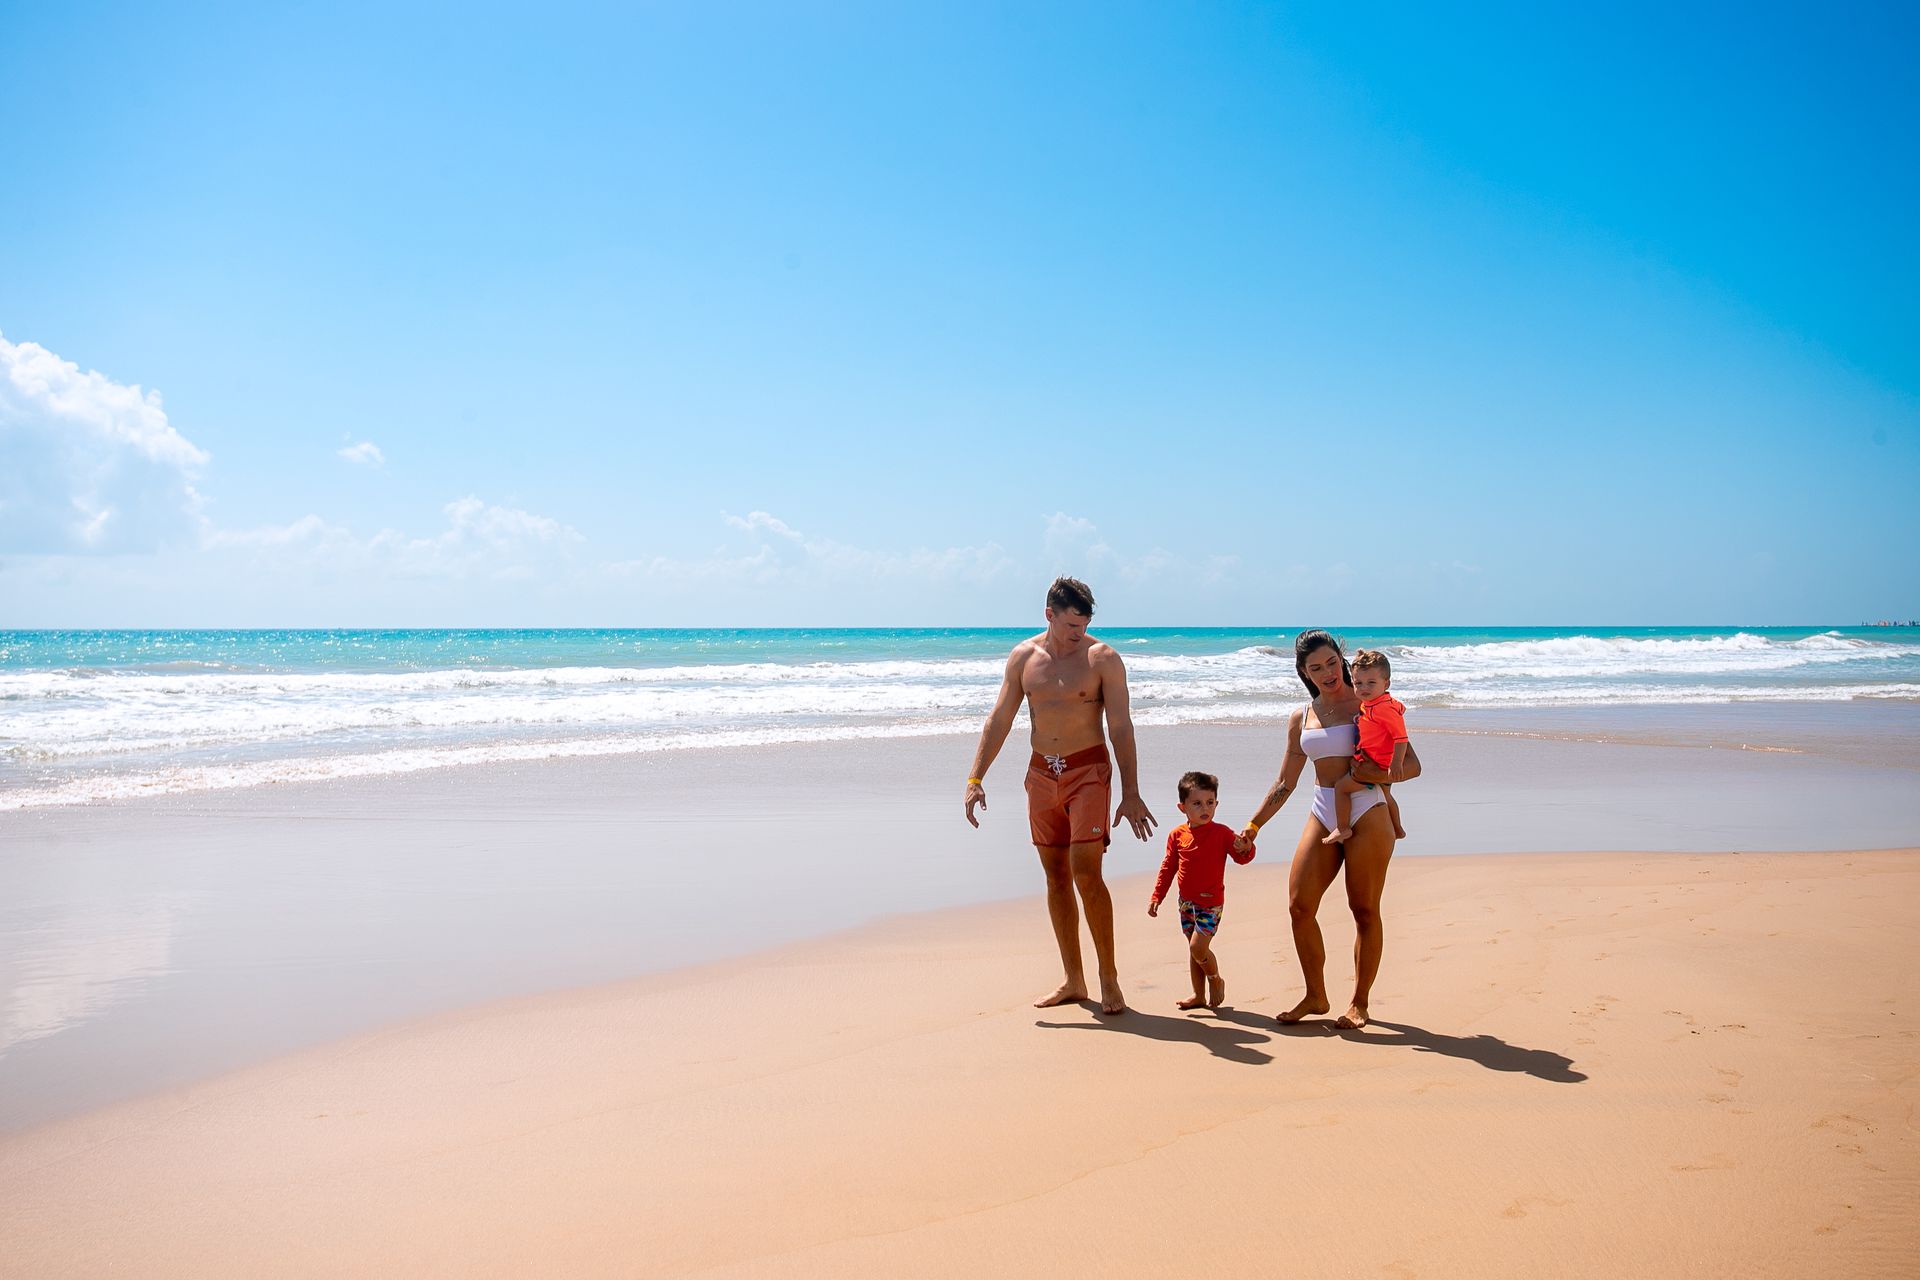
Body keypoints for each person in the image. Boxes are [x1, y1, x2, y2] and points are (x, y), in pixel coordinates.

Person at [964, 577, 1157, 1014]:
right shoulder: (1023, 658)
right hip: (1040, 775)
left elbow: (1121, 726)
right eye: (1071, 624)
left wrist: (1131, 792)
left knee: (1086, 873)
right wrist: (975, 777)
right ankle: (1074, 979)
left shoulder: (1102, 658)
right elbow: (999, 718)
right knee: (1055, 878)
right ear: (1049, 614)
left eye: (1083, 624)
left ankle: (1109, 978)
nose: (1078, 633)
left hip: (1088, 771)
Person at [1239, 630, 1422, 1029]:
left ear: (1342, 660)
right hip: (1324, 807)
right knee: (1299, 905)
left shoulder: (1368, 703)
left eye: (1332, 663)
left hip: (1368, 806)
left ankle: (1359, 1003)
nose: (1327, 673)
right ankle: (1315, 995)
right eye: (1315, 668)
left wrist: (1373, 774)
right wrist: (1254, 825)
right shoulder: (1301, 718)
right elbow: (1284, 782)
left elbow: (1411, 766)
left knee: (1363, 909)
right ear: (1304, 672)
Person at [1148, 770, 1256, 1010]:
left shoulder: (1222, 833)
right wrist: (1157, 896)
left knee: (1199, 948)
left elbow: (1242, 858)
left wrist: (1246, 847)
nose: (1204, 808)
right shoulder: (1177, 835)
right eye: (1196, 803)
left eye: (1210, 803)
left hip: (1211, 903)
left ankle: (1215, 980)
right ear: (1182, 806)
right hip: (1186, 903)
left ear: (1217, 803)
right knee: (1193, 949)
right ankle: (1198, 995)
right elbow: (1168, 867)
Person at [1321, 649, 1408, 845]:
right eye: (1358, 683)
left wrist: (1395, 765)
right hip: (1378, 761)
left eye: (1371, 683)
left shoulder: (1384, 709)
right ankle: (1398, 828)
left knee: (1342, 788)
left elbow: (1401, 738)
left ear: (1386, 684)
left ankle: (1342, 828)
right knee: (1386, 795)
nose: (1364, 688)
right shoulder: (1372, 704)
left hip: (1377, 765)